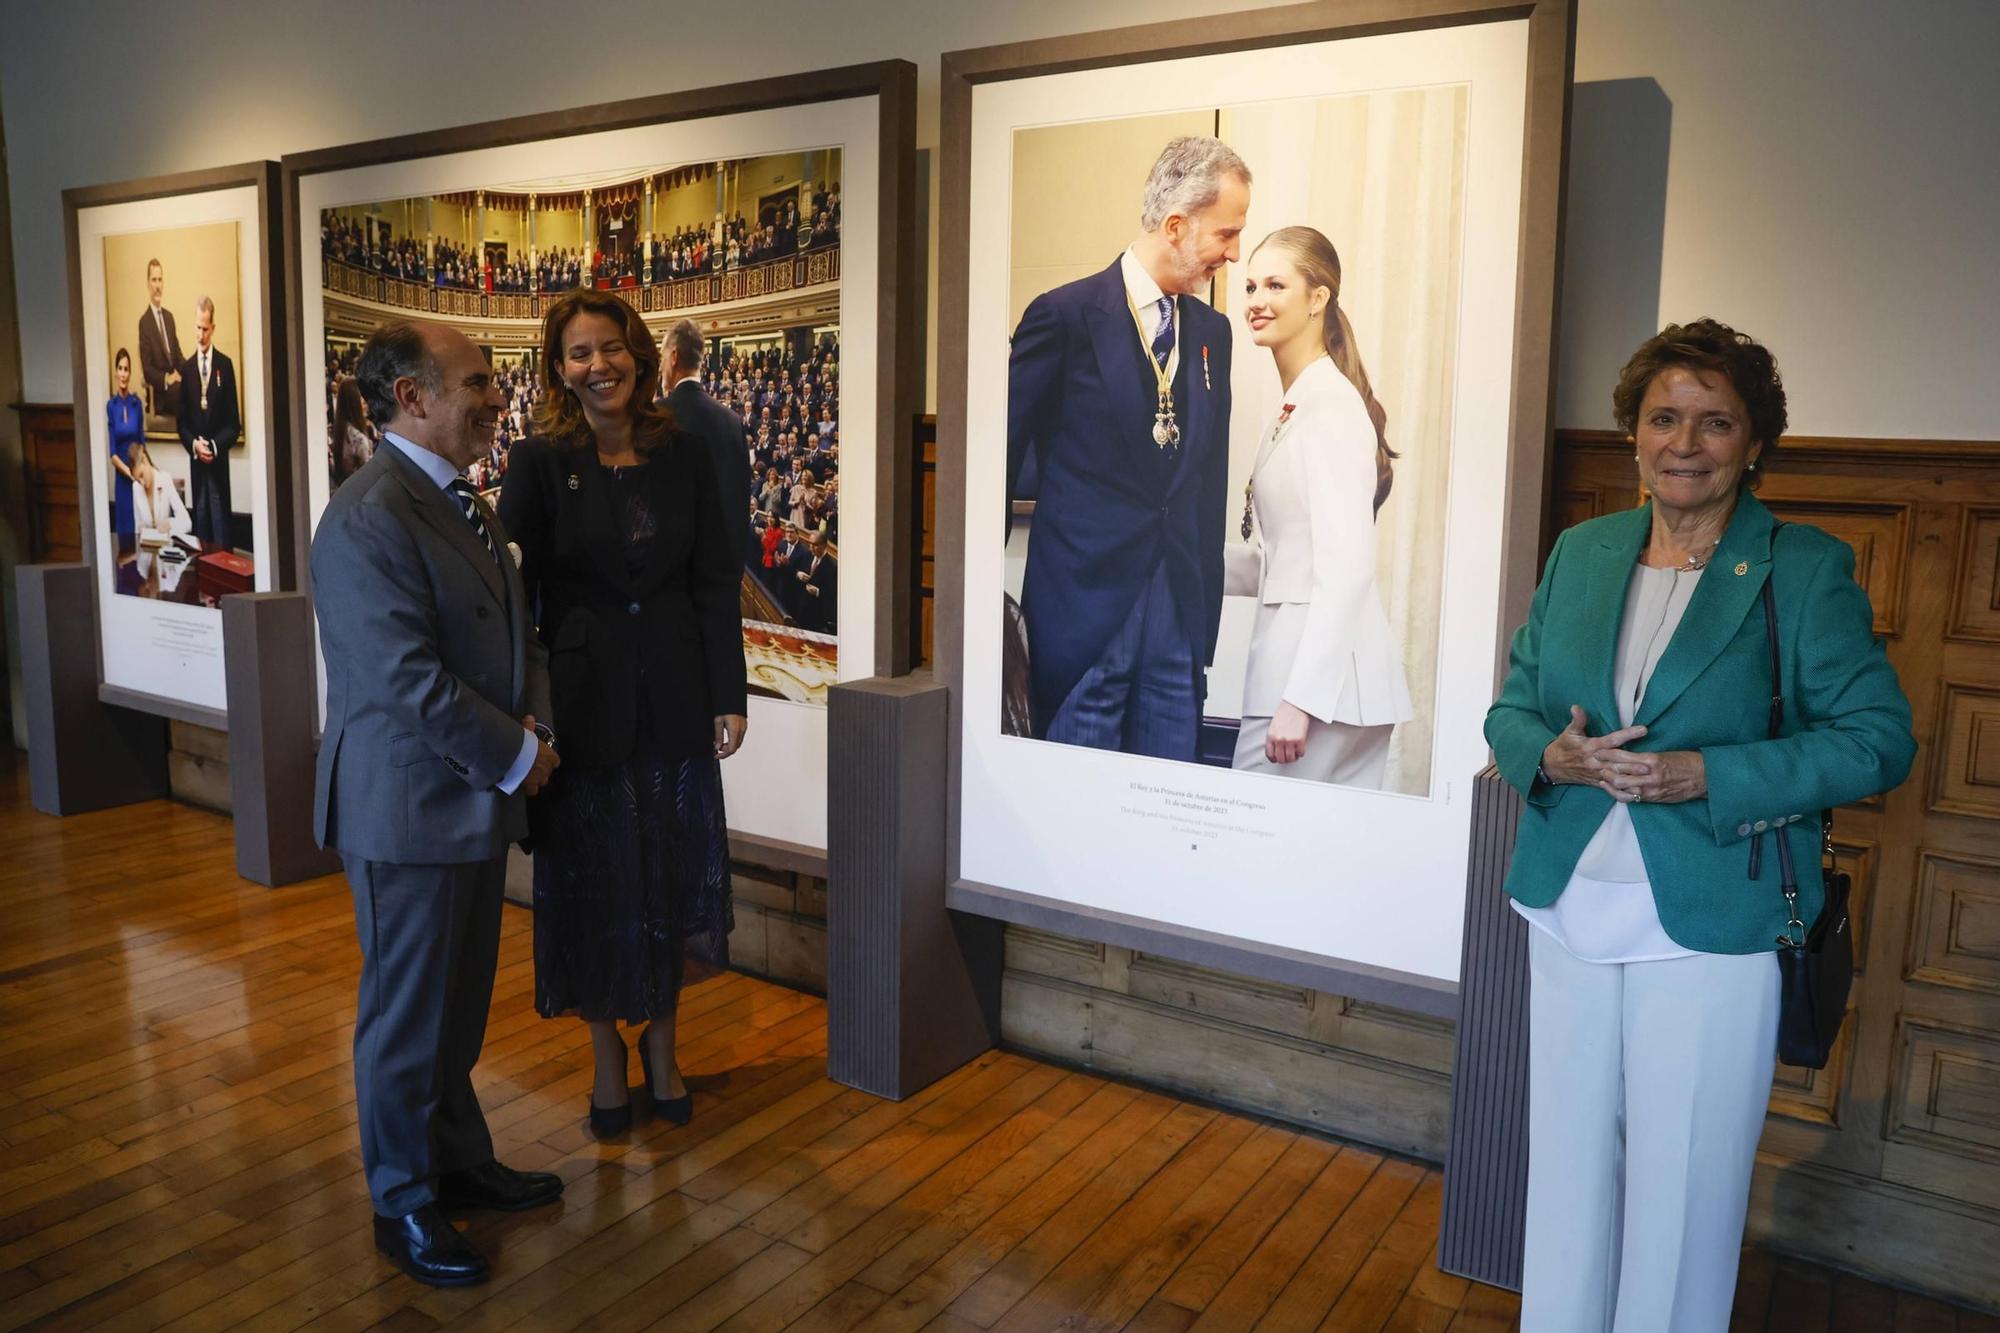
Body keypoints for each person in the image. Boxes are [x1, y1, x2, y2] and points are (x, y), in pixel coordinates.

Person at [1484, 319, 1915, 1331]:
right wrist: (1548, 755)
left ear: (1753, 441)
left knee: (1683, 1189)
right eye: (1662, 418)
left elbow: (1875, 741)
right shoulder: (1581, 550)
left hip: (1712, 917)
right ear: (1631, 434)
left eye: (1714, 422)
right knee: (1566, 1173)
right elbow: (1510, 707)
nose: (1684, 442)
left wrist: (1701, 774)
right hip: (1566, 903)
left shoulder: (1800, 568)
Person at [311, 320, 564, 1287]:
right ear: (412, 398)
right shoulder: (368, 516)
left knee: (455, 1011)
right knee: (407, 1016)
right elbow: (404, 682)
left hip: (467, 800)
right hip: (406, 808)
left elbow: (517, 636)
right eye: (476, 382)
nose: (496, 397)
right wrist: (517, 754)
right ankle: (403, 1201)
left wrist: (537, 732)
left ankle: (458, 1160)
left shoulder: (463, 502)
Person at [497, 289, 747, 1141]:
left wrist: (729, 692)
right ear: (559, 369)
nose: (596, 364)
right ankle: (608, 1061)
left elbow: (714, 578)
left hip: (676, 709)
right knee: (594, 888)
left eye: (610, 347)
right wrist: (524, 714)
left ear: (639, 357)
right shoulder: (539, 463)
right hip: (583, 716)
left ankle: (665, 1050)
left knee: (673, 883)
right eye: (577, 352)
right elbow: (512, 597)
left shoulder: (683, 452)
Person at [1006, 135, 1247, 757]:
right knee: (1073, 814)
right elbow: (998, 462)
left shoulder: (1212, 333)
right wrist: (978, 609)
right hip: (1080, 619)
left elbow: (1208, 484)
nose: (1235, 252)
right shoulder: (1062, 316)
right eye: (1226, 234)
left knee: (1166, 808)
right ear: (1175, 225)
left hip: (1176, 625)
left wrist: (1204, 634)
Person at [1228, 228, 1410, 787]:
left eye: (1276, 285)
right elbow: (1292, 555)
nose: (1257, 300)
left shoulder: (1328, 406)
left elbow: (1347, 568)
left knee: (1256, 855)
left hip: (1315, 689)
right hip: (1328, 685)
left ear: (1317, 299)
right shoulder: (1301, 401)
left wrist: (1300, 702)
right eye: (1252, 284)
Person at [659, 317, 754, 567]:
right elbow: (741, 499)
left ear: (674, 357)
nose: (660, 367)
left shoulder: (657, 417)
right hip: (722, 571)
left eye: (662, 358)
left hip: (672, 578)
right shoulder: (733, 422)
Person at [176, 296, 240, 549]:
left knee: (222, 533)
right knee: (201, 530)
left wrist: (213, 446)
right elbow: (181, 424)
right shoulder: (188, 368)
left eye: (205, 328)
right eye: (197, 328)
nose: (200, 334)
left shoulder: (225, 365)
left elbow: (234, 424)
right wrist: (195, 446)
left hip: (218, 465)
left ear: (212, 327)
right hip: (197, 468)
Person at [136, 258, 184, 426]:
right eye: (154, 280)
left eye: (160, 280)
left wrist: (190, 373)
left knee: (195, 385)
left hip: (176, 388)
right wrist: (167, 378)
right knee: (185, 395)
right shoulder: (144, 323)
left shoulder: (169, 318)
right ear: (148, 284)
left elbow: (178, 356)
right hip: (160, 395)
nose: (157, 285)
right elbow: (147, 368)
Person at [107, 348, 143, 539]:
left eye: (126, 369)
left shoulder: (137, 404)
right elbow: (112, 454)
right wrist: (129, 474)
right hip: (123, 480)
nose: (123, 373)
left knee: (141, 531)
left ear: (130, 373)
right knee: (126, 534)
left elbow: (141, 443)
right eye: (120, 368)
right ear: (116, 372)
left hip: (138, 477)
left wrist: (143, 473)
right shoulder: (111, 406)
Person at [128, 441, 192, 539]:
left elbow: (187, 523)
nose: (142, 483)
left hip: (166, 547)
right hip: (147, 548)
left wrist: (169, 524)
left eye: (141, 475)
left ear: (145, 460)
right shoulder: (136, 487)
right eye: (138, 479)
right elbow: (138, 529)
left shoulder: (165, 479)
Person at [332, 376, 376, 486]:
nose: (367, 404)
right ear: (355, 403)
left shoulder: (341, 432)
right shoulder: (358, 439)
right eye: (363, 400)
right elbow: (370, 479)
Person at [792, 532, 837, 634]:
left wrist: (817, 592)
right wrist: (798, 574)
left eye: (815, 545)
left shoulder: (832, 567)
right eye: (810, 544)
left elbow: (832, 595)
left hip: (816, 616)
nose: (811, 547)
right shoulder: (807, 555)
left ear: (824, 545)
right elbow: (795, 570)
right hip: (801, 610)